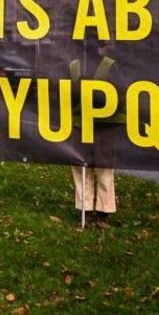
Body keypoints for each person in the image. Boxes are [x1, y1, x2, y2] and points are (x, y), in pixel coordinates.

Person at [68, 37, 124, 228]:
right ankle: (99, 214)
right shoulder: (108, 65)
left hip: (95, 125)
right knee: (97, 168)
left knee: (91, 168)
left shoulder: (76, 66)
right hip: (95, 126)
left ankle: (93, 213)